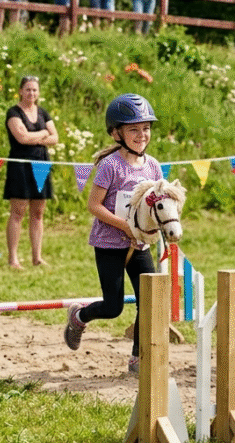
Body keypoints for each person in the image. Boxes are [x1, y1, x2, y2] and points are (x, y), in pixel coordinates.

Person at [64, 94, 163, 374]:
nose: (141, 135)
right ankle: (79, 316)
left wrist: (150, 228)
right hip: (109, 244)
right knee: (113, 306)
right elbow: (93, 205)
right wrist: (125, 227)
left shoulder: (153, 166)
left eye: (145, 128)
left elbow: (153, 205)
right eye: (133, 129)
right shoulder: (111, 166)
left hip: (139, 246)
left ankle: (137, 357)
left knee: (150, 298)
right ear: (116, 133)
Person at [4, 76, 59, 269]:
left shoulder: (43, 112)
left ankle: (37, 257)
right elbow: (21, 138)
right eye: (28, 89)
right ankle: (13, 259)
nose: (31, 93)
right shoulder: (13, 112)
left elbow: (55, 137)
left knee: (38, 213)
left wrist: (37, 137)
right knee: (17, 212)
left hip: (41, 164)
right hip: (20, 165)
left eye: (35, 90)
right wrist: (43, 134)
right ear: (20, 91)